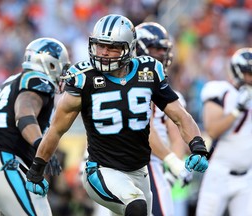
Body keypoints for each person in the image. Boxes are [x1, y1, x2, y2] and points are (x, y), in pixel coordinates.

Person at [25, 14, 209, 216]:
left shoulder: (148, 72)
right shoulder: (84, 78)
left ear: (129, 48)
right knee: (135, 206)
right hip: (102, 170)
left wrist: (197, 146)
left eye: (112, 47)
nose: (103, 53)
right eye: (100, 45)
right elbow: (56, 130)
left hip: (140, 171)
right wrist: (36, 170)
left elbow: (180, 116)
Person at [0, 37, 70, 216]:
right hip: (5, 160)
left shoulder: (12, 80)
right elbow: (24, 114)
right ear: (50, 65)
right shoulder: (38, 79)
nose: (63, 73)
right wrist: (42, 147)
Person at [135, 22, 193, 216]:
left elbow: (177, 139)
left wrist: (171, 168)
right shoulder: (128, 87)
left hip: (152, 162)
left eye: (163, 49)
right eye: (155, 48)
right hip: (122, 162)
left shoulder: (169, 95)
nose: (161, 53)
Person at [197, 47, 252, 216]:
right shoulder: (220, 90)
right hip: (219, 174)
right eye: (249, 73)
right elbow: (212, 130)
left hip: (247, 177)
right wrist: (237, 109)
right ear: (238, 72)